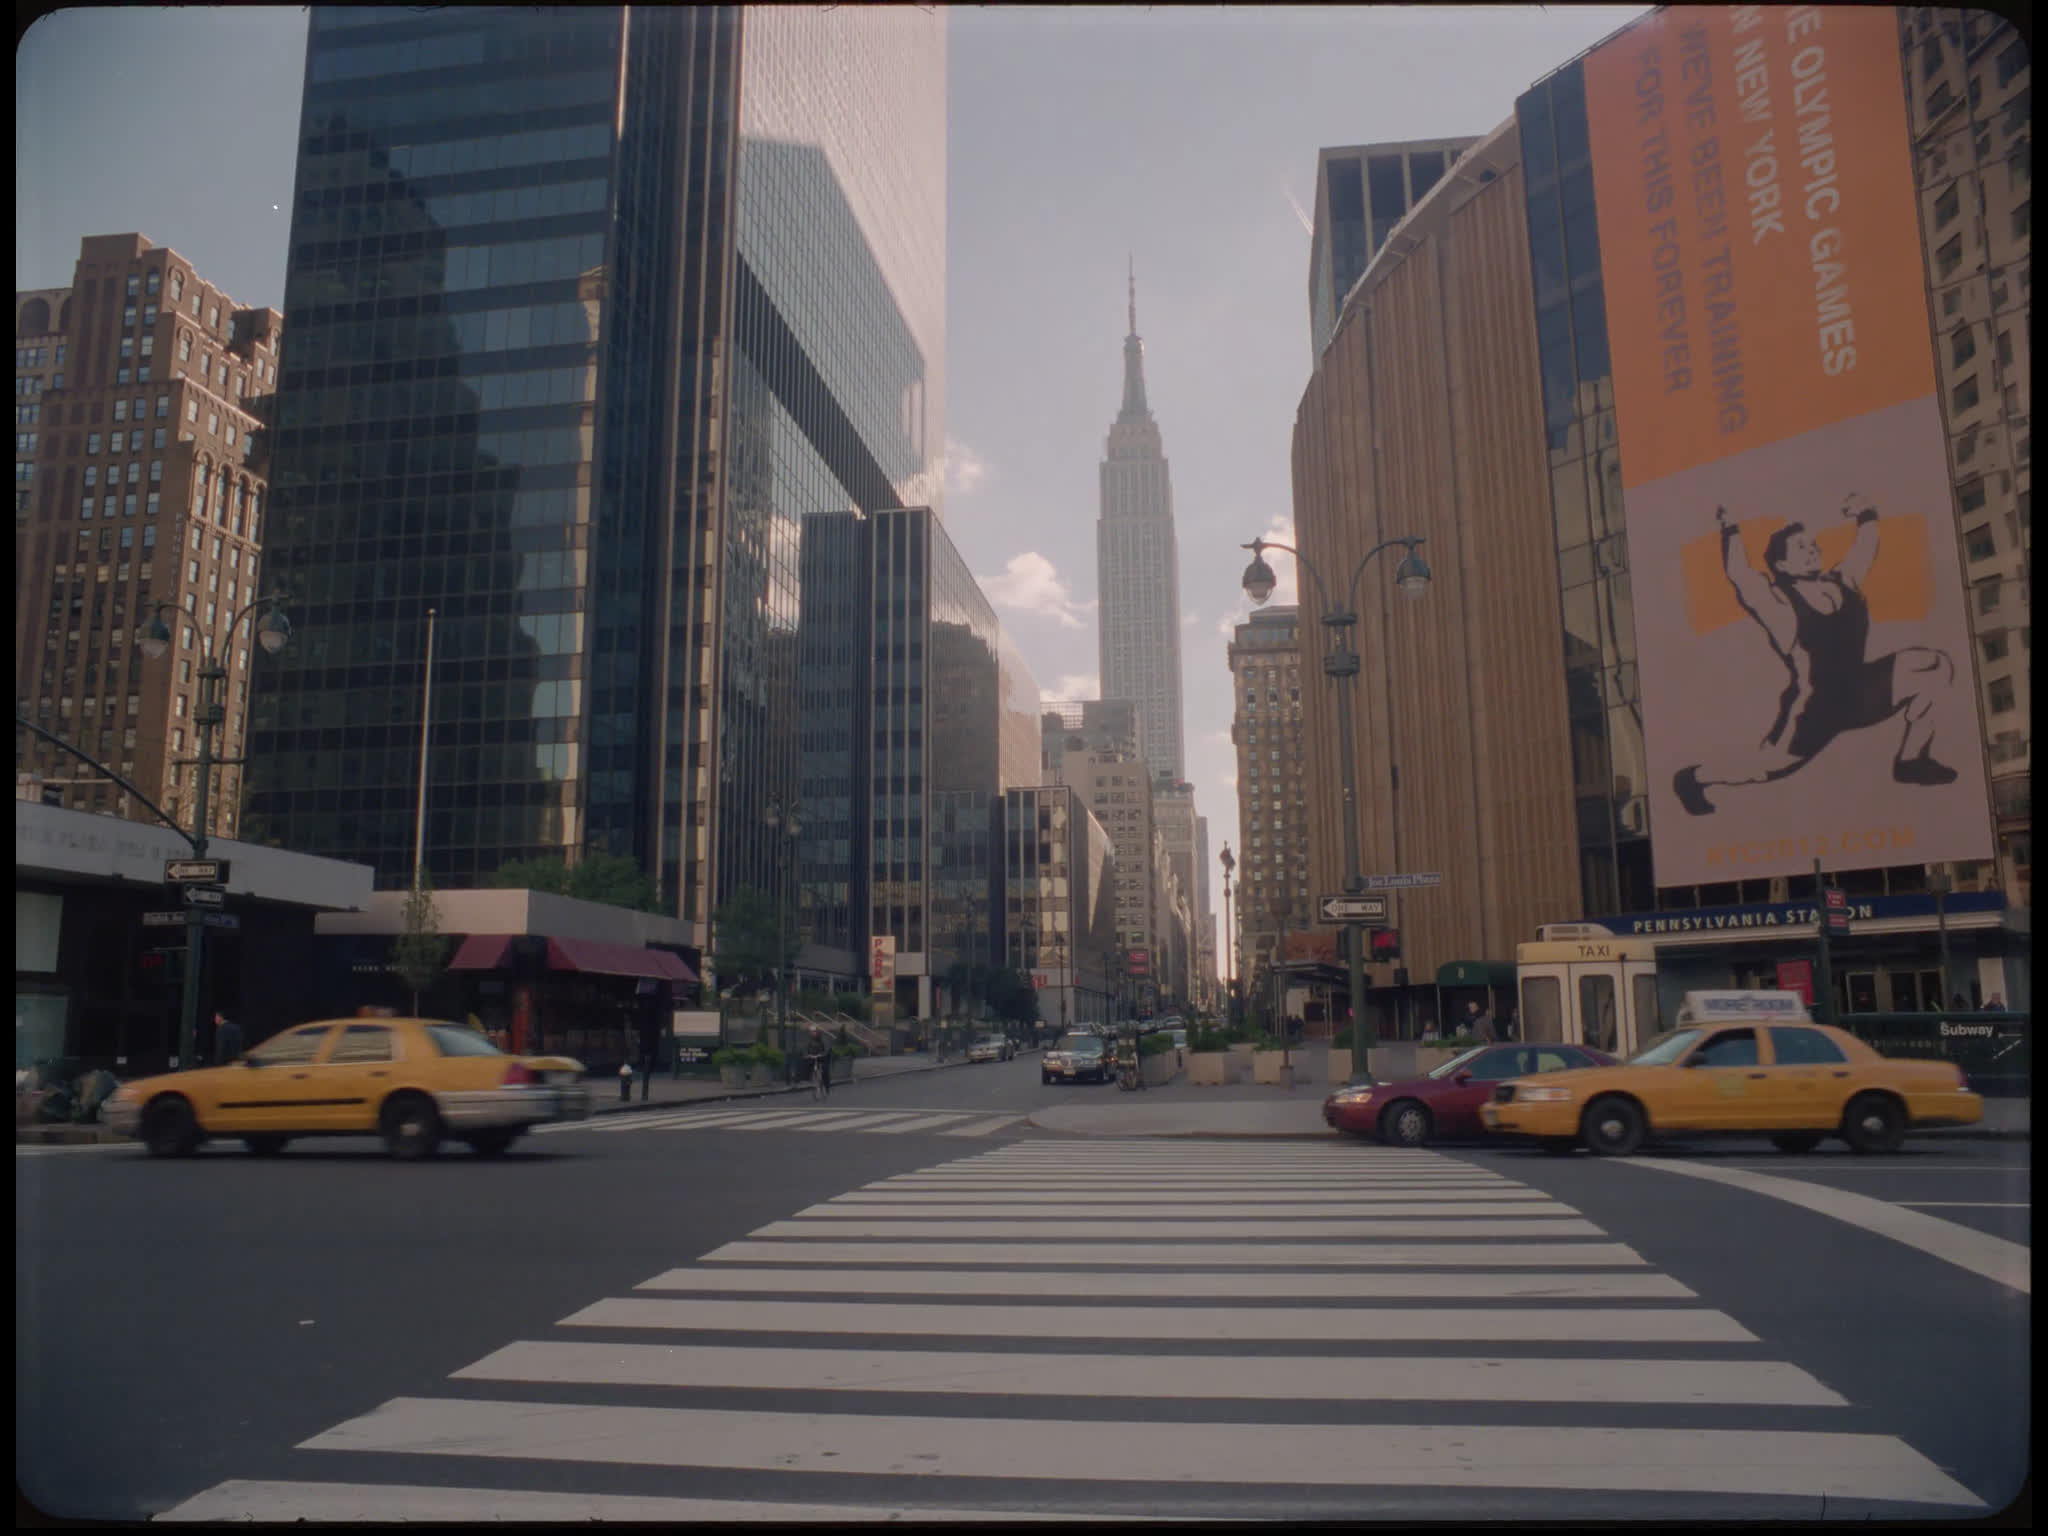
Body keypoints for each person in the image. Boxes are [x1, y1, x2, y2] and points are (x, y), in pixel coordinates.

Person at [1674, 497, 1958, 816]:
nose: (1812, 549)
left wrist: (1866, 514)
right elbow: (1741, 574)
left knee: (1934, 664)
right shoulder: (1780, 606)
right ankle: (1693, 779)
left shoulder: (1843, 580)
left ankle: (1910, 761)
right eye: (1799, 547)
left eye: (1812, 544)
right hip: (1813, 712)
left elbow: (1865, 548)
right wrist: (1731, 527)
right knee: (1764, 769)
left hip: (1860, 692)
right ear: (1782, 566)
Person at [806, 1025, 833, 1098]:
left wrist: (822, 1054)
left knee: (825, 1071)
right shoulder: (809, 1040)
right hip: (813, 1057)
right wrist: (807, 1055)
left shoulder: (823, 1039)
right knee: (808, 1066)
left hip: (823, 1058)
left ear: (817, 1032)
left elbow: (827, 1049)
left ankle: (827, 1087)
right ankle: (813, 1081)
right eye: (811, 1032)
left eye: (814, 1031)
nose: (813, 1033)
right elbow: (806, 1049)